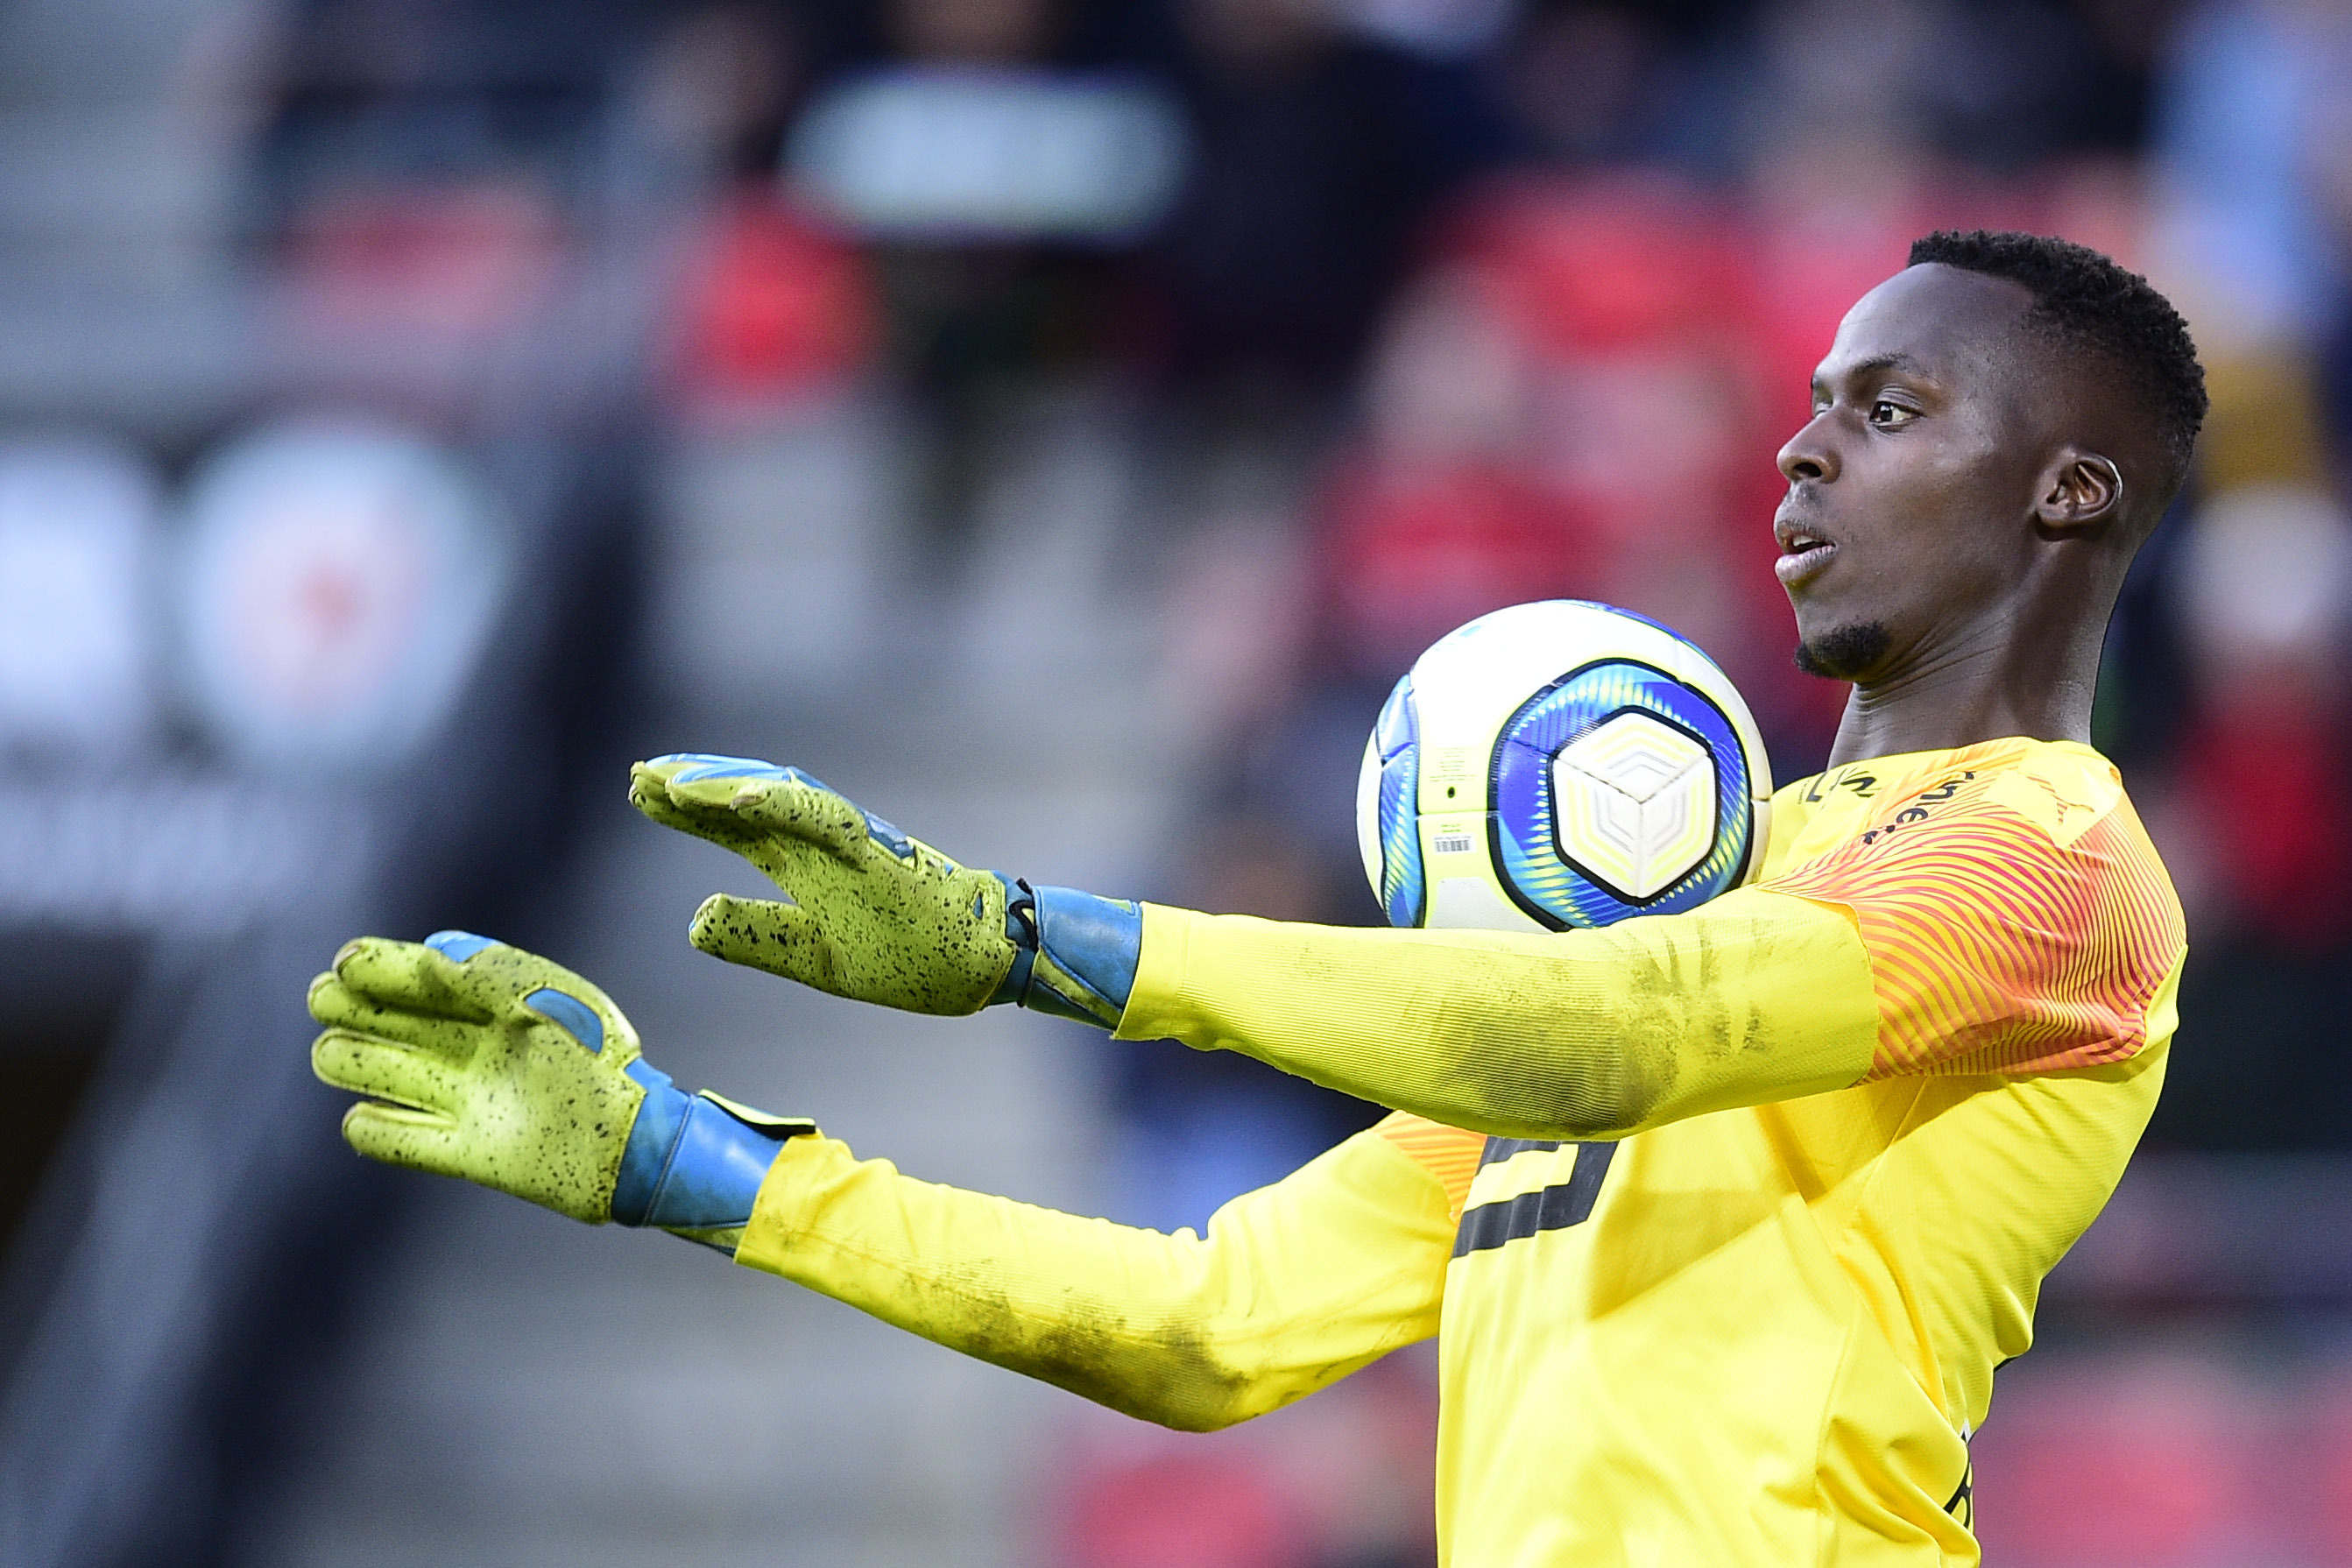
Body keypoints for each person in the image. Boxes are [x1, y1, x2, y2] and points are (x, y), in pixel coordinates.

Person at [309, 230, 2205, 1564]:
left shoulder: (2046, 868)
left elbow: (1629, 1037)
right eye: (1809, 399)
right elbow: (1217, 1320)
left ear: (2063, 493)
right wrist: (706, 1169)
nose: (1798, 446)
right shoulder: (1719, 878)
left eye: (1888, 410)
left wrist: (1031, 943)